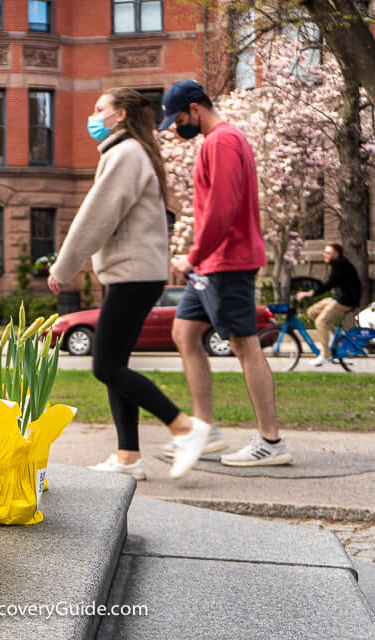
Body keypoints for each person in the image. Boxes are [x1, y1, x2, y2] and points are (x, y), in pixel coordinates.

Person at [48, 88, 210, 480]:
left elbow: (96, 216)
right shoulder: (132, 153)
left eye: (99, 108)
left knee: (105, 366)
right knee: (115, 365)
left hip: (133, 276)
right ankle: (128, 457)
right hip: (134, 274)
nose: (93, 114)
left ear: (120, 115)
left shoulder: (124, 155)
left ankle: (184, 426)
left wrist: (63, 267)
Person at [160, 79, 291, 467]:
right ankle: (206, 428)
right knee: (184, 332)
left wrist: (193, 255)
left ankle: (271, 441)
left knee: (245, 344)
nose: (177, 126)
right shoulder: (217, 141)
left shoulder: (223, 141)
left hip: (227, 262)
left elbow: (223, 207)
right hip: (212, 264)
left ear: (196, 108)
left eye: (180, 118)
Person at [296, 242, 362, 366]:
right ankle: (333, 339)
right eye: (324, 252)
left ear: (336, 254)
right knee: (312, 312)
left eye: (328, 252)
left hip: (345, 300)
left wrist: (310, 293)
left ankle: (325, 355)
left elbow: (329, 284)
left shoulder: (340, 265)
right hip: (338, 297)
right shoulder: (338, 264)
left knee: (321, 322)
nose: (324, 255)